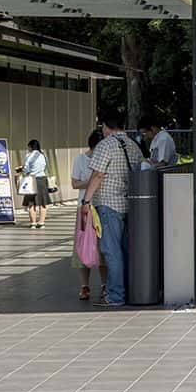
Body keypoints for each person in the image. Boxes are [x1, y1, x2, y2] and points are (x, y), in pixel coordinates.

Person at [83, 107, 143, 307]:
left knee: (111, 251)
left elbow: (98, 175)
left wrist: (86, 201)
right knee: (125, 250)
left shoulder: (105, 145)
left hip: (108, 204)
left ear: (105, 126)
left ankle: (115, 295)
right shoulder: (133, 145)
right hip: (129, 204)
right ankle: (127, 290)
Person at [70, 129, 107, 302]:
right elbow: (75, 183)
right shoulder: (80, 159)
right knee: (83, 247)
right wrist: (93, 182)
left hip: (102, 206)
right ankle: (85, 286)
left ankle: (105, 284)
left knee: (103, 249)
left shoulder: (107, 158)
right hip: (84, 208)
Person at [22, 139, 50, 228]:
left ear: (30, 146)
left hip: (31, 180)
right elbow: (46, 167)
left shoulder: (28, 156)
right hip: (42, 179)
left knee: (31, 202)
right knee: (43, 202)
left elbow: (26, 169)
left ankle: (33, 223)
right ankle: (41, 223)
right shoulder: (43, 155)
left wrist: (24, 171)